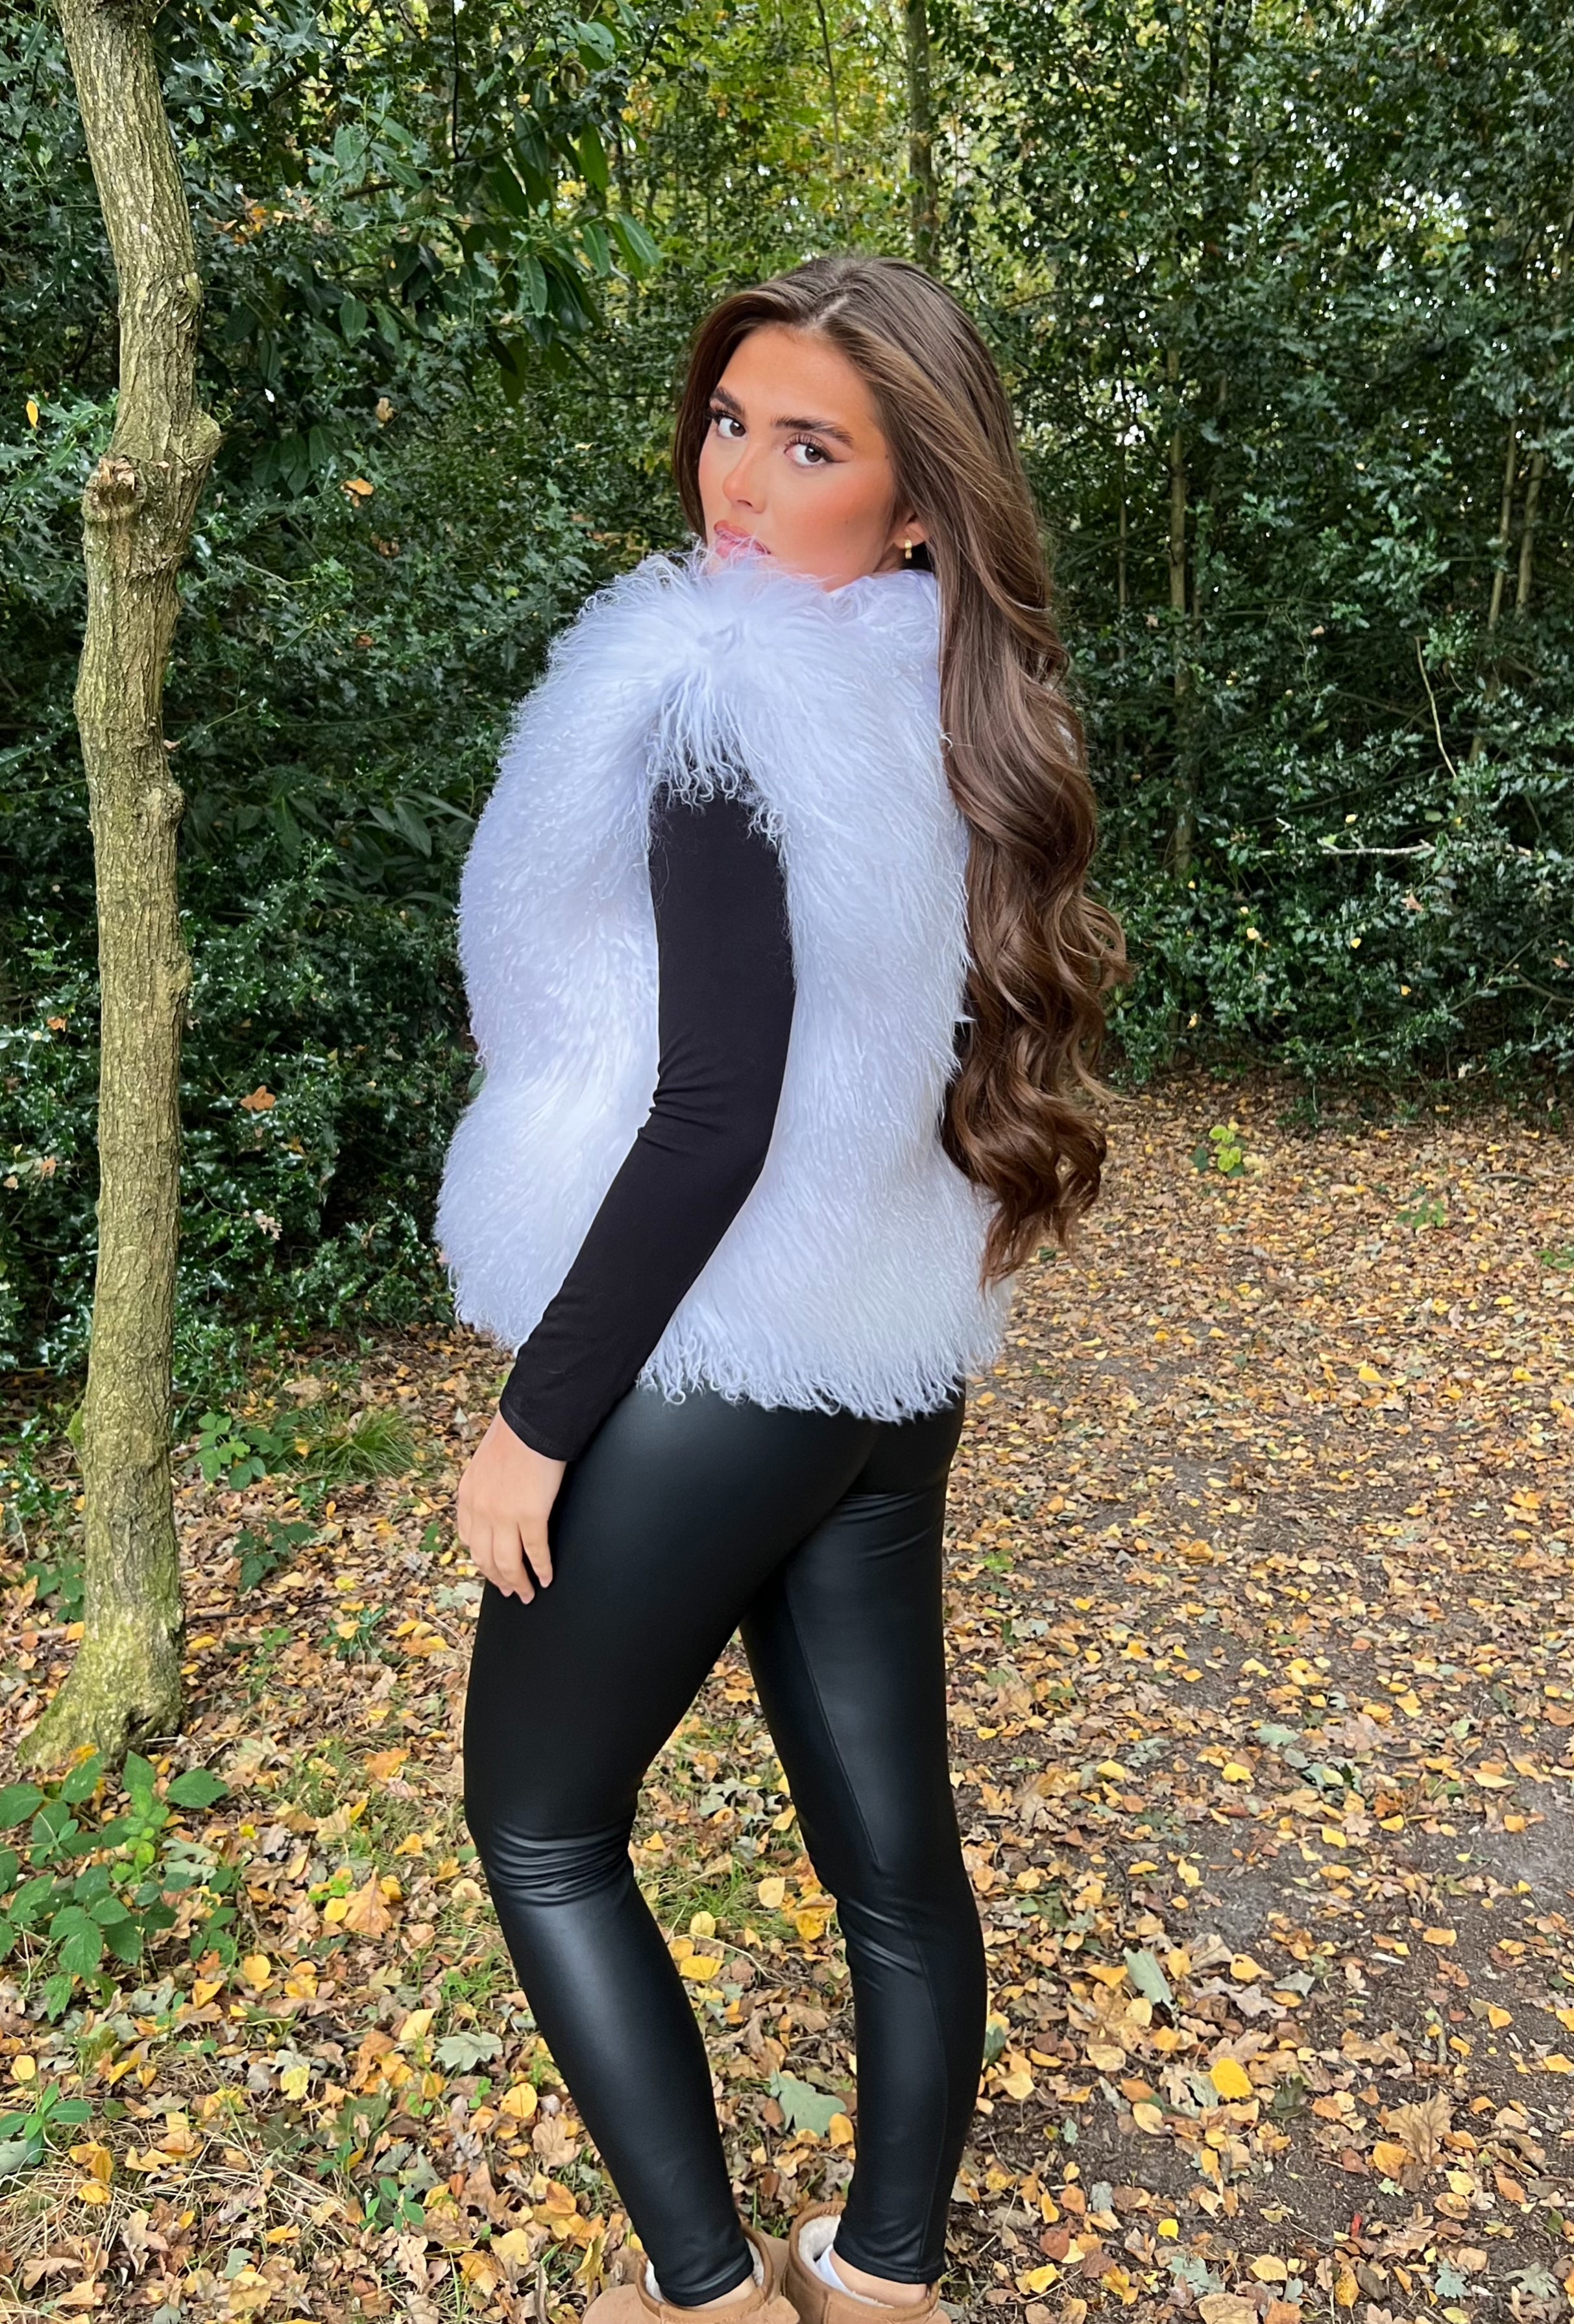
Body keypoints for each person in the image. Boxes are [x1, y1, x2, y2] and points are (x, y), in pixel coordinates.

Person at [436, 254, 1124, 2324]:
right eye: (731, 423)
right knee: (893, 1862)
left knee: (542, 1830)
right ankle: (885, 2276)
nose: (738, 481)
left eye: (810, 445)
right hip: (889, 1362)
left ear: (917, 505)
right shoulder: (956, 706)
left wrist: (535, 1420)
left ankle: (711, 2295)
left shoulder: (718, 692)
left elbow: (713, 1117)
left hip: (718, 1363)